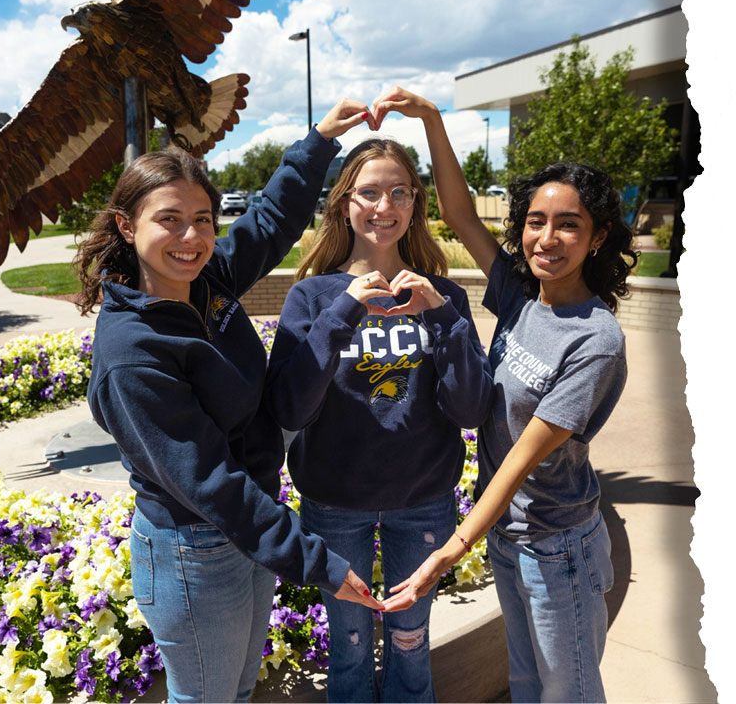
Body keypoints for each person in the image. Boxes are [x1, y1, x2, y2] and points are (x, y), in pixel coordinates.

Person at [73, 98, 383, 704]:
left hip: (248, 531)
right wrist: (317, 563)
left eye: (204, 218)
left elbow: (269, 222)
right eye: (170, 219)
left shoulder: (205, 282)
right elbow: (209, 480)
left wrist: (318, 142)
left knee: (237, 690)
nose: (192, 237)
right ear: (125, 225)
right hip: (194, 550)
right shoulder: (133, 351)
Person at [377, 88, 637, 703]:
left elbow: (523, 458)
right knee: (524, 684)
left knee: (567, 693)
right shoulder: (522, 296)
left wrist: (449, 551)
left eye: (569, 225)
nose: (547, 238)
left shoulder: (596, 340)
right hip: (510, 538)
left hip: (558, 546)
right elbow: (460, 214)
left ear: (596, 237)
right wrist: (434, 121)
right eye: (536, 221)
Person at [264, 135, 494, 702]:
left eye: (399, 192)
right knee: (346, 646)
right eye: (368, 192)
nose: (383, 207)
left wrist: (442, 320)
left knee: (411, 642)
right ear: (345, 202)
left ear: (416, 203)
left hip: (424, 501)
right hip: (334, 502)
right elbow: (290, 407)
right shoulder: (314, 298)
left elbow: (470, 409)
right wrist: (345, 310)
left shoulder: (441, 296)